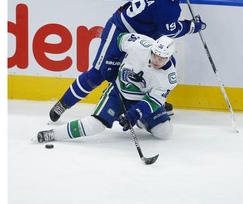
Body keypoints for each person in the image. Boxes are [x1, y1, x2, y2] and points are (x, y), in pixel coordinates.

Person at [49, 0, 206, 122]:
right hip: (120, 29)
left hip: (144, 39)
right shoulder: (168, 9)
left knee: (164, 66)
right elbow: (171, 30)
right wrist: (192, 26)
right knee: (98, 73)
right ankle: (63, 104)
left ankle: (150, 103)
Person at [37, 33, 178, 143]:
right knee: (96, 125)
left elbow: (152, 102)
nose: (156, 60)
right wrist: (112, 62)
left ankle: (141, 121)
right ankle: (53, 134)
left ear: (169, 57)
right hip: (118, 93)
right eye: (154, 55)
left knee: (164, 132)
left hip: (141, 100)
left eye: (161, 58)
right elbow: (119, 39)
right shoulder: (140, 45)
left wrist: (135, 114)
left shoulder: (169, 78)